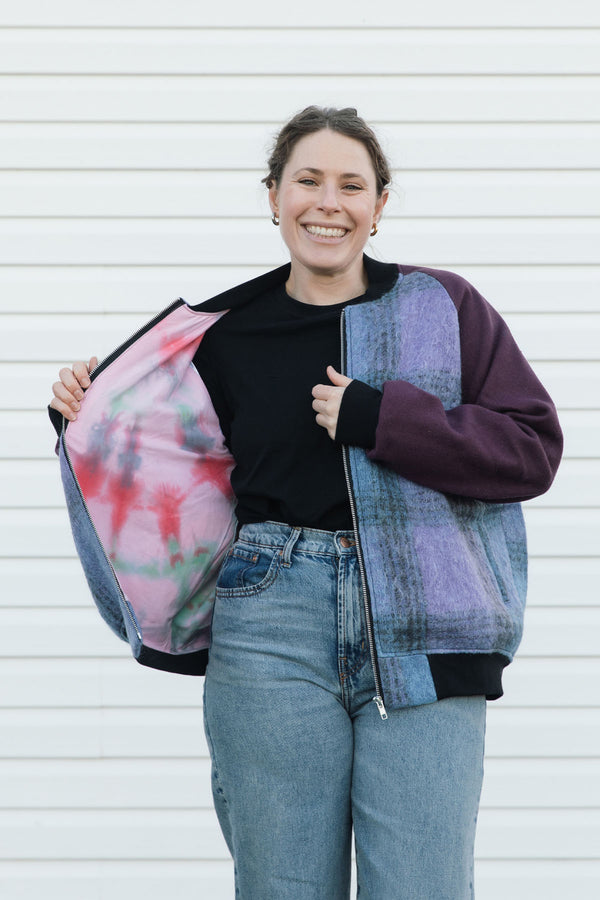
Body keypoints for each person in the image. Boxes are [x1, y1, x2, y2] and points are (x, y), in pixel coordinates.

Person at [49, 106, 563, 899]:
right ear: (273, 196)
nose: (330, 202)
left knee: (423, 885)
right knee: (282, 885)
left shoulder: (445, 306)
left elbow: (532, 447)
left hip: (427, 623)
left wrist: (381, 419)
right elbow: (155, 461)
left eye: (352, 184)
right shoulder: (222, 334)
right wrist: (84, 415)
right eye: (308, 181)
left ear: (380, 205)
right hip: (269, 621)